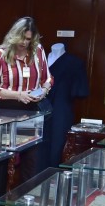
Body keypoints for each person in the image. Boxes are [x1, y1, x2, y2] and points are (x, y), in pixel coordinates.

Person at [0, 16, 53, 183]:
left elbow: (48, 78)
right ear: (14, 35)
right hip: (6, 111)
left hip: (31, 111)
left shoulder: (38, 50)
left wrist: (44, 90)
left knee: (31, 160)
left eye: (29, 39)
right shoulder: (2, 53)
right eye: (22, 38)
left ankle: (25, 198)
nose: (25, 42)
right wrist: (18, 94)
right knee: (2, 160)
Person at [37, 42, 89, 172]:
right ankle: (35, 177)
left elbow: (81, 91)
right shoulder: (39, 60)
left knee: (56, 145)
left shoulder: (75, 63)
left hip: (60, 110)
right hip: (37, 108)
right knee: (36, 145)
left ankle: (51, 176)